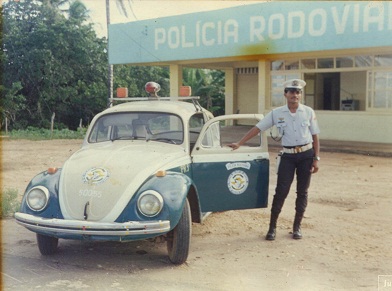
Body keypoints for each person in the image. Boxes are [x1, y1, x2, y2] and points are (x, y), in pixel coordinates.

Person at [228, 79, 320, 240]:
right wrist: (240, 143)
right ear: (285, 94)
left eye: (297, 92)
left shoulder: (308, 112)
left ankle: (297, 227)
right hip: (288, 156)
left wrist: (316, 158)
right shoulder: (276, 113)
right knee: (281, 191)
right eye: (291, 91)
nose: (295, 95)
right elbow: (258, 128)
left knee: (302, 192)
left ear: (300, 95)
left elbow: (315, 135)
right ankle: (272, 228)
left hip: (306, 155)